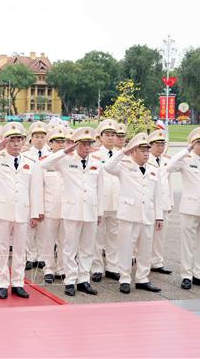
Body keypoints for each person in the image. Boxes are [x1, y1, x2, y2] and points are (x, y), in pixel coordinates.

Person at [0, 122, 43, 300]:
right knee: (2, 248)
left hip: (22, 211)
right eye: (12, 140)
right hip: (2, 210)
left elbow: (35, 190)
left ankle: (18, 283)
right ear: (6, 141)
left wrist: (35, 213)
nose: (16, 143)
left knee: (20, 249)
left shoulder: (31, 162)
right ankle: (2, 283)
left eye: (19, 139)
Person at [39, 127, 103, 297]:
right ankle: (70, 280)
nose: (87, 147)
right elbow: (43, 164)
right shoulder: (66, 160)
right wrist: (64, 152)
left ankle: (83, 280)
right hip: (72, 210)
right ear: (76, 144)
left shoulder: (96, 163)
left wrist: (100, 212)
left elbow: (100, 189)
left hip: (90, 210)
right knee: (70, 248)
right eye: (83, 144)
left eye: (89, 143)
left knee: (87, 248)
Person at [103, 132, 164, 294]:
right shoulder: (124, 165)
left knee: (145, 248)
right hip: (129, 214)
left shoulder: (153, 169)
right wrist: (124, 151)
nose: (146, 153)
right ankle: (124, 278)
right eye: (142, 150)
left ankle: (142, 278)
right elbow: (107, 166)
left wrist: (159, 216)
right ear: (134, 151)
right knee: (125, 248)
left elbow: (158, 195)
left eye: (147, 150)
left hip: (147, 214)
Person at [167, 127, 200, 290]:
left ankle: (199, 275)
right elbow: (169, 166)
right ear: (193, 145)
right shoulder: (186, 160)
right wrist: (186, 150)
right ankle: (186, 276)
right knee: (188, 244)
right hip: (190, 208)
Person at [91, 119, 121, 282]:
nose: (110, 138)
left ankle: (112, 266)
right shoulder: (94, 155)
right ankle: (96, 267)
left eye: (113, 135)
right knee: (97, 238)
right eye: (107, 135)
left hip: (116, 201)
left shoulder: (121, 155)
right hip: (100, 202)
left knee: (114, 236)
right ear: (100, 137)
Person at [40, 125, 68, 283]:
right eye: (57, 141)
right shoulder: (44, 161)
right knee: (48, 240)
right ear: (50, 144)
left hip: (67, 208)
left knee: (65, 240)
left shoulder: (70, 160)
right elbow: (38, 188)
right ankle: (48, 269)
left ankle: (61, 268)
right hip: (49, 208)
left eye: (62, 141)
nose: (60, 144)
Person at [22, 121, 49, 271]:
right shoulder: (25, 155)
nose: (39, 139)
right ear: (31, 138)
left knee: (43, 230)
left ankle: (41, 257)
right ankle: (29, 256)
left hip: (46, 196)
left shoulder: (51, 155)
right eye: (36, 136)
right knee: (29, 228)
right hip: (29, 195)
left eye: (42, 136)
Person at [148, 129, 174, 275]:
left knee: (160, 235)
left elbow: (169, 182)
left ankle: (157, 262)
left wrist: (170, 202)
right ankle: (142, 260)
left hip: (163, 203)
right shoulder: (146, 160)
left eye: (162, 145)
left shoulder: (167, 161)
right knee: (146, 235)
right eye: (157, 145)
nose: (160, 147)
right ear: (150, 145)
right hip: (150, 204)